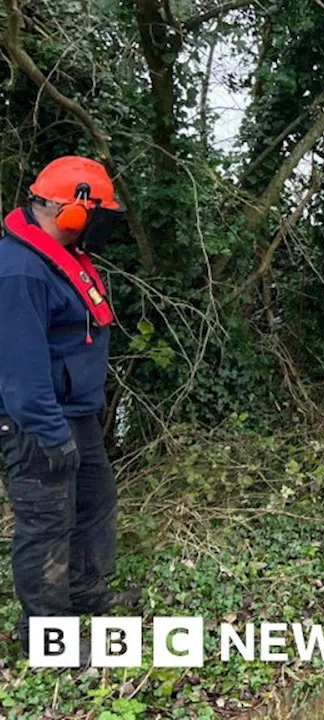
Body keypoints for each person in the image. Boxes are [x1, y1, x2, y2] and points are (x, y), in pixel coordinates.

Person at [0, 156, 138, 656]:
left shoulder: (58, 257)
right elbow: (20, 365)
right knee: (46, 521)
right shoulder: (20, 271)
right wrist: (47, 431)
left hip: (74, 414)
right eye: (96, 216)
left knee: (93, 500)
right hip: (36, 421)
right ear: (71, 211)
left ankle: (84, 593)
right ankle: (45, 635)